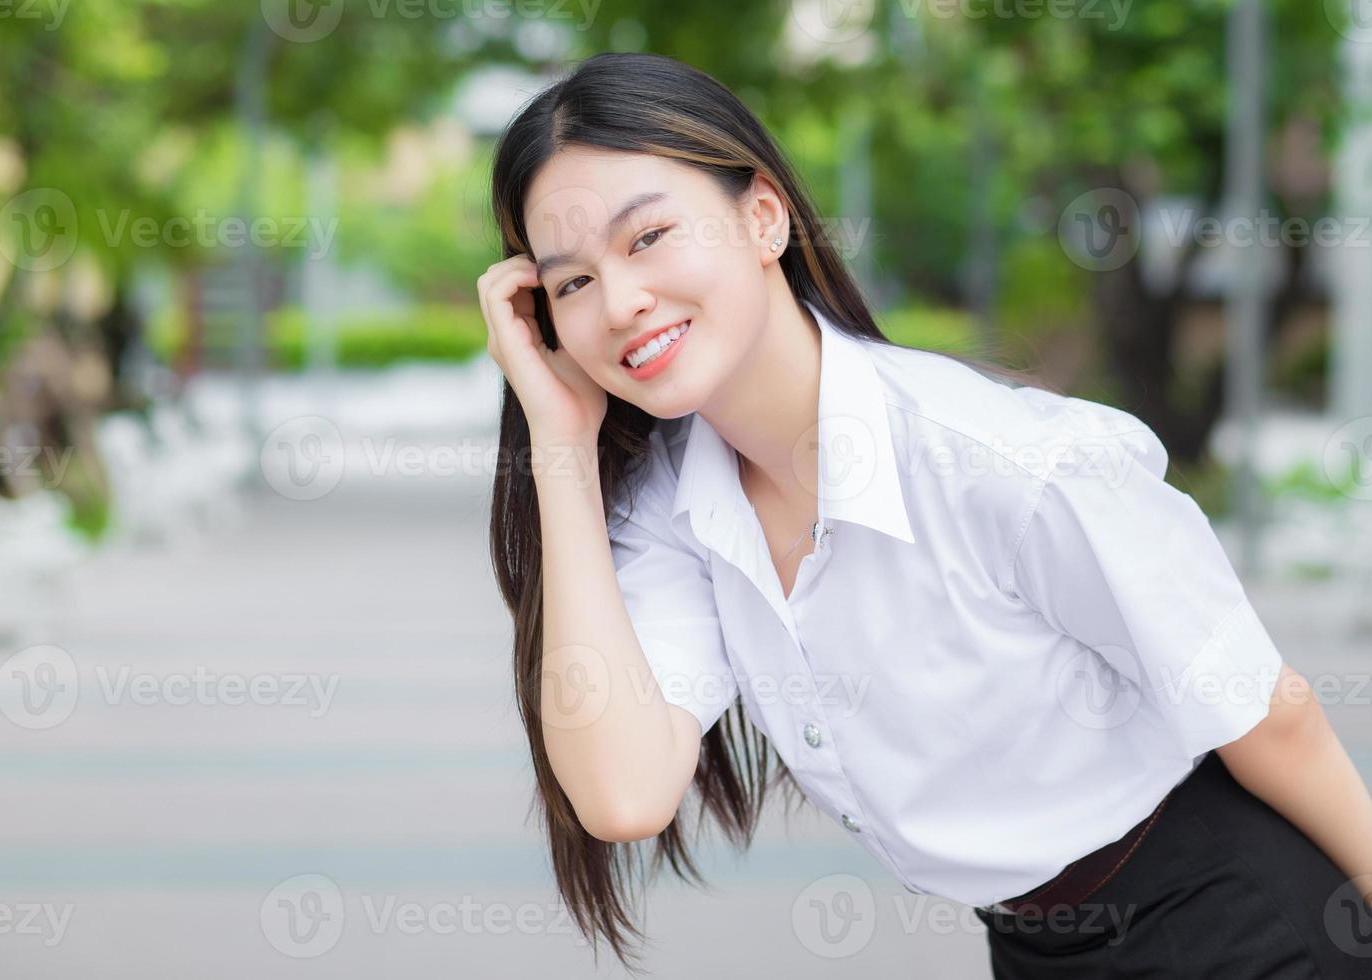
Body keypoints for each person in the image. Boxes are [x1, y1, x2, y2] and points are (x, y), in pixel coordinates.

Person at [479, 51, 1372, 976]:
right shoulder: (678, 507)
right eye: (572, 282)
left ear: (763, 218)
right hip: (1036, 943)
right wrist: (561, 445)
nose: (621, 302)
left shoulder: (1004, 466)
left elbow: (1275, 719)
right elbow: (624, 793)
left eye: (648, 237)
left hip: (1237, 920)